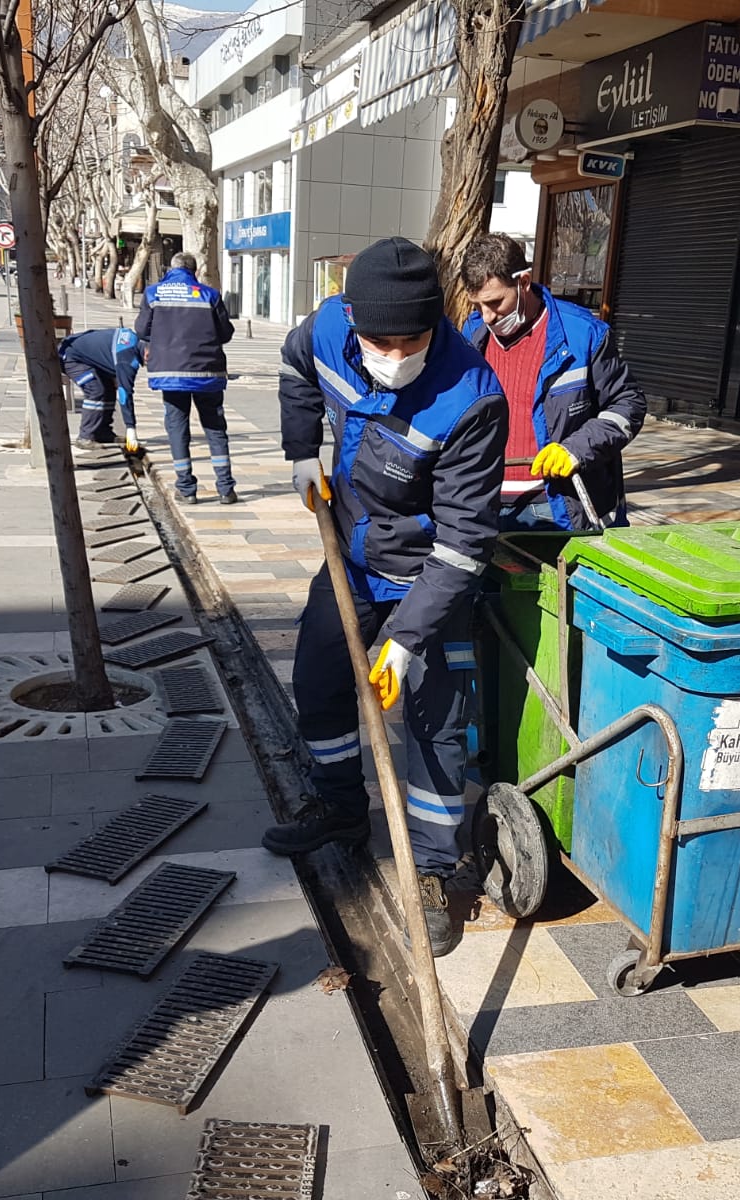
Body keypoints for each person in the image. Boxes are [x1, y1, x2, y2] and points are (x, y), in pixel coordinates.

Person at [264, 237, 508, 957]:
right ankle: (341, 807)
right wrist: (302, 450)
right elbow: (294, 370)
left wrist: (406, 637)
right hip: (352, 557)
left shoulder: (471, 397)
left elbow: (464, 541)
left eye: (412, 341)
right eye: (380, 341)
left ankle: (432, 869)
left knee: (436, 722)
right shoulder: (328, 331)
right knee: (319, 679)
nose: (395, 354)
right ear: (352, 319)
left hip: (430, 576)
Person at [460, 233, 645, 531]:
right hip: (484, 502)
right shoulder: (472, 335)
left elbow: (628, 404)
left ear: (523, 282)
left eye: (495, 303)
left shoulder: (584, 334)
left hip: (555, 504)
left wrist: (576, 449)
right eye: (478, 306)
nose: (488, 317)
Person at [134, 252, 237, 504]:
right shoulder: (209, 295)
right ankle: (226, 488)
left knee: (177, 429)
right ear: (195, 271)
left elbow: (141, 330)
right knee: (215, 429)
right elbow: (225, 333)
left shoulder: (153, 293)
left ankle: (186, 489)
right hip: (207, 373)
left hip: (171, 373)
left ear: (170, 269)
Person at [58, 326, 143, 453]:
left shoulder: (133, 340)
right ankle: (85, 436)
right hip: (70, 357)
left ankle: (102, 432)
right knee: (96, 390)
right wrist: (130, 428)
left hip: (85, 355)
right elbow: (125, 393)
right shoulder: (127, 360)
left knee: (109, 388)